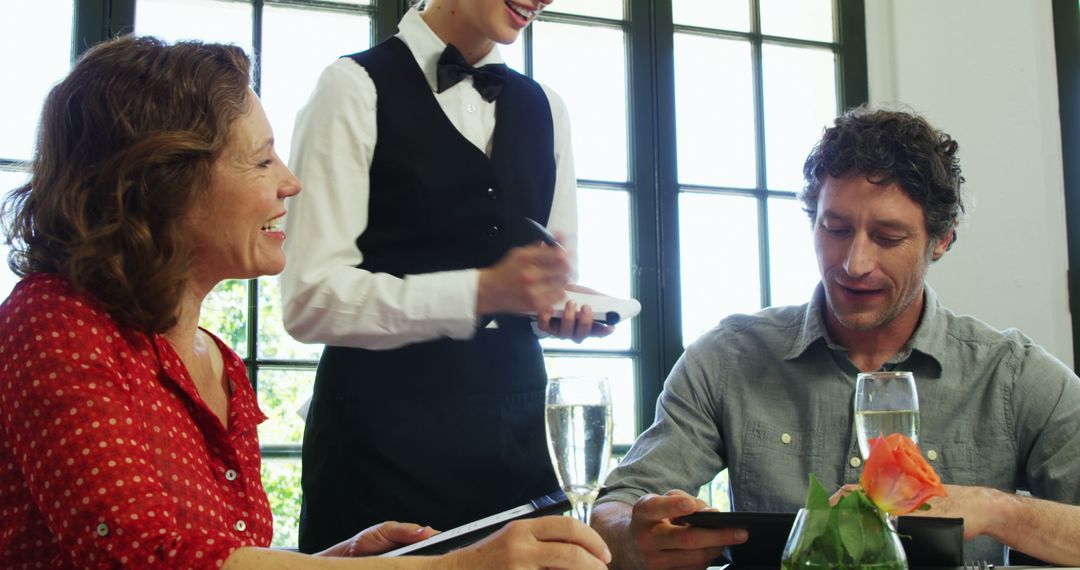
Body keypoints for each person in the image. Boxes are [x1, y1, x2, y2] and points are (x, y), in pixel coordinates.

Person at [0, 35, 612, 570]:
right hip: (383, 453)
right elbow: (143, 558)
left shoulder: (217, 361)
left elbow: (214, 553)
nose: (291, 182)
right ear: (162, 181)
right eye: (263, 159)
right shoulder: (54, 323)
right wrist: (452, 569)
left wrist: (333, 561)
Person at [590, 106, 1080, 568]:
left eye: (888, 238)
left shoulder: (1010, 374)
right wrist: (633, 536)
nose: (853, 264)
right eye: (836, 228)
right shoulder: (727, 358)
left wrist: (997, 510)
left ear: (942, 239)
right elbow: (617, 506)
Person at [281, 0, 610, 553]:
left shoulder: (547, 108)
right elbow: (309, 298)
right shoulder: (350, 88)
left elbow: (546, 275)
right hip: (380, 457)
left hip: (522, 449)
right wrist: (481, 291)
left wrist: (566, 306)